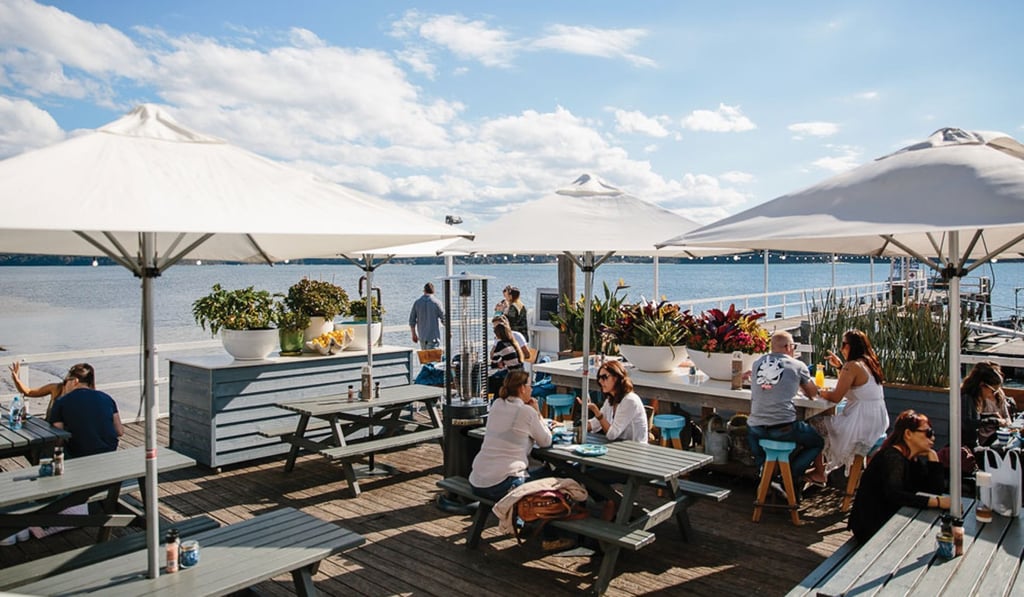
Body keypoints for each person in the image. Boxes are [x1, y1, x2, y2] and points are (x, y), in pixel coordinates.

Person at [848, 409, 949, 543]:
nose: (933, 438)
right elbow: (895, 495)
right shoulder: (892, 457)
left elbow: (934, 490)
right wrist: (936, 502)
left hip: (892, 519)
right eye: (928, 433)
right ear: (908, 434)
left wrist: (934, 459)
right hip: (873, 526)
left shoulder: (912, 459)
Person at [746, 330, 824, 499]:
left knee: (763, 455)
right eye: (793, 346)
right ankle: (790, 475)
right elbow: (812, 395)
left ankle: (766, 477)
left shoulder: (757, 362)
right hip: (783, 427)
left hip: (755, 428)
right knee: (817, 442)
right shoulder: (797, 365)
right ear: (789, 347)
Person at [469, 371, 552, 501]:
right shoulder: (526, 411)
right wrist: (537, 413)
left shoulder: (497, 404)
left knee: (537, 472)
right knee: (551, 475)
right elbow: (546, 441)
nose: (532, 388)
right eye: (530, 385)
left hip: (477, 480)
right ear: (522, 388)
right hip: (502, 483)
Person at [818, 329, 890, 475]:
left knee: (812, 427)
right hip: (877, 421)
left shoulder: (851, 366)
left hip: (859, 423)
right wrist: (839, 367)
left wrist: (816, 390)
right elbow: (854, 388)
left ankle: (819, 473)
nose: (840, 348)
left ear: (850, 346)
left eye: (843, 344)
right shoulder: (870, 362)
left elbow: (836, 397)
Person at [49, 363, 124, 458]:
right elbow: (119, 431)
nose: (64, 385)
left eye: (66, 381)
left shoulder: (61, 402)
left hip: (79, 453)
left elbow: (58, 437)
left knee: (42, 449)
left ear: (75, 381)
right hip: (108, 450)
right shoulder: (107, 398)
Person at [581, 360, 648, 443]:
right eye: (599, 378)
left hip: (636, 450)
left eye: (604, 377)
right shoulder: (611, 399)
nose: (600, 381)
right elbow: (596, 423)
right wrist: (573, 428)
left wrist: (596, 411)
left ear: (616, 377)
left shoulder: (629, 401)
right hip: (619, 447)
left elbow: (612, 435)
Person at [960, 361, 1015, 448]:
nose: (993, 395)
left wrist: (991, 416)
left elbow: (975, 419)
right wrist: (993, 420)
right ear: (982, 385)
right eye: (993, 391)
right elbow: (968, 424)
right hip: (969, 448)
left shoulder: (973, 397)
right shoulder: (967, 398)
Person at [488, 319, 526, 395]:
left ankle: (494, 402)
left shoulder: (501, 344)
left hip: (512, 376)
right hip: (520, 373)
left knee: (488, 381)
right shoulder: (512, 342)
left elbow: (493, 361)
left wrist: (499, 363)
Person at [409, 282, 445, 350]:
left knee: (425, 359)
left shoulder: (417, 303)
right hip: (433, 337)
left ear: (424, 291)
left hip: (422, 337)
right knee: (432, 359)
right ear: (433, 291)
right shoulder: (437, 303)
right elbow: (444, 319)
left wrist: (414, 334)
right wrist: (449, 331)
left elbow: (412, 321)